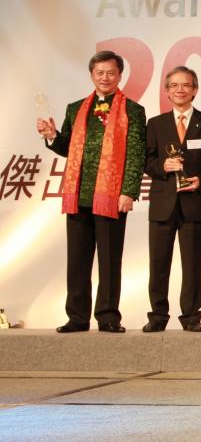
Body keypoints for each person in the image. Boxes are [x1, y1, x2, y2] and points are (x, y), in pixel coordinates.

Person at [37, 50, 146, 333]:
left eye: (111, 73)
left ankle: (108, 317)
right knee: (77, 261)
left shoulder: (133, 110)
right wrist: (52, 136)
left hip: (110, 197)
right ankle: (77, 317)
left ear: (120, 75)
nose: (105, 78)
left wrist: (129, 192)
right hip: (78, 195)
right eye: (100, 73)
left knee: (110, 261)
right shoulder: (75, 108)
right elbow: (67, 147)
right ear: (91, 75)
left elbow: (136, 155)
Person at [142, 66, 201, 333]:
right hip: (163, 204)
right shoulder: (156, 124)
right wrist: (163, 166)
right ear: (166, 91)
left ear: (195, 90)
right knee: (158, 264)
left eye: (186, 85)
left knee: (192, 265)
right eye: (174, 85)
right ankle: (157, 316)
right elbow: (146, 161)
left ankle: (191, 316)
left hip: (196, 203)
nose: (180, 90)